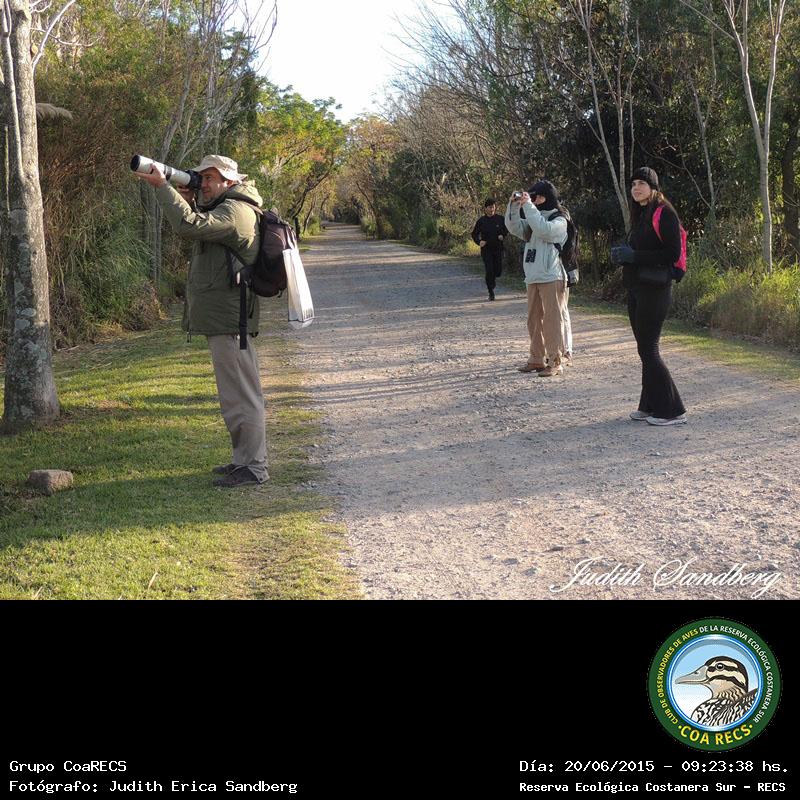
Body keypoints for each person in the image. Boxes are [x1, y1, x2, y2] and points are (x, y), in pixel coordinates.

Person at [135, 154, 270, 486]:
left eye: (210, 178)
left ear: (230, 181)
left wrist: (163, 187)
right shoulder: (227, 207)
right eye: (202, 177)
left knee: (242, 396)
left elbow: (189, 226)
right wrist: (188, 199)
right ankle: (243, 461)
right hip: (226, 319)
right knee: (234, 396)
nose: (203, 183)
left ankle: (254, 467)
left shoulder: (237, 211)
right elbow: (200, 223)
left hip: (231, 321)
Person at [611, 167, 687, 426]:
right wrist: (624, 255)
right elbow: (642, 250)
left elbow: (672, 253)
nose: (636, 188)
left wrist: (635, 256)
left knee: (649, 349)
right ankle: (649, 405)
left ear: (653, 187)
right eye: (633, 184)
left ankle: (672, 410)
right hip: (637, 288)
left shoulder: (665, 213)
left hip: (655, 289)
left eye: (641, 183)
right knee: (644, 349)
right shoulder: (642, 213)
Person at [505, 180, 569, 377]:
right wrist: (513, 205)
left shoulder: (560, 219)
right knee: (533, 320)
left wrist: (528, 206)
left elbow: (544, 230)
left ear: (546, 197)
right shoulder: (534, 218)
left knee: (552, 321)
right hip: (533, 276)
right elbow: (513, 227)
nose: (533, 200)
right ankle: (536, 359)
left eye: (536, 197)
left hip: (552, 276)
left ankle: (555, 361)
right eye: (531, 197)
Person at [471, 198, 508, 300]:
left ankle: (493, 280)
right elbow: (474, 234)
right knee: (489, 270)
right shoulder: (481, 221)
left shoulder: (500, 219)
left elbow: (506, 229)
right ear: (485, 208)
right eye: (490, 207)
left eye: (493, 207)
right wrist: (479, 242)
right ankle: (490, 291)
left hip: (498, 248)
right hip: (486, 250)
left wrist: (502, 235)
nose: (492, 209)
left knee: (498, 271)